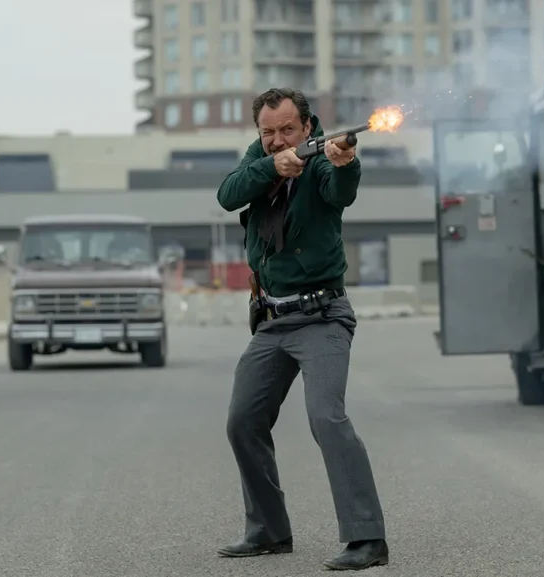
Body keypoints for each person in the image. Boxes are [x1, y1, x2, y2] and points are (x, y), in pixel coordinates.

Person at [214, 87, 389, 571]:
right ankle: (268, 532)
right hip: (271, 321)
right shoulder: (261, 158)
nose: (276, 139)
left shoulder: (322, 159)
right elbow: (228, 194)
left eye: (287, 130)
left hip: (322, 316)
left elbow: (342, 190)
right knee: (242, 421)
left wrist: (344, 159)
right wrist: (273, 165)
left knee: (327, 419)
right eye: (267, 132)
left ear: (308, 127)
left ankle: (367, 540)